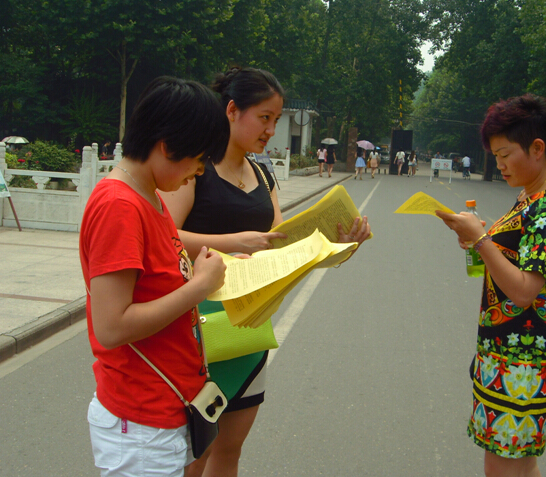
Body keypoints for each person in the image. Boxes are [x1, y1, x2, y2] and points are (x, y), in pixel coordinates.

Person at [161, 67, 371, 477]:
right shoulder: (195, 168)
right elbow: (165, 235)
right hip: (199, 329)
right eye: (264, 118)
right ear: (232, 110)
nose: (271, 130)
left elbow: (279, 247)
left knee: (229, 451)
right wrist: (233, 243)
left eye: (275, 120)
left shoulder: (263, 174)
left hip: (250, 330)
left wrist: (339, 246)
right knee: (193, 456)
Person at [80, 76, 230, 477]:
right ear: (167, 145)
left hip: (164, 410)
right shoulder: (119, 206)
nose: (199, 171)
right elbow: (111, 327)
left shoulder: (149, 198)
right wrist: (200, 286)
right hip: (140, 423)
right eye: (198, 159)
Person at [436, 94, 546, 477]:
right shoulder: (529, 197)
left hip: (524, 360)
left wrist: (481, 240)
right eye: (494, 156)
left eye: (504, 154)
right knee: (520, 468)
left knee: (501, 469)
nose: (499, 164)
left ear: (537, 148)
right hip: (504, 353)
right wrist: (479, 240)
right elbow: (514, 259)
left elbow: (525, 290)